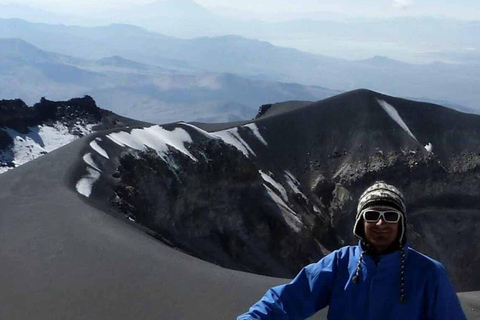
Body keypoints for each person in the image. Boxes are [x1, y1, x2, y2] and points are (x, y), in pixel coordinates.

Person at [237, 181, 467, 320]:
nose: (380, 223)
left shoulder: (428, 273)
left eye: (390, 216)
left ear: (401, 224)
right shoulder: (339, 263)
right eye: (372, 215)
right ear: (360, 222)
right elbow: (288, 300)